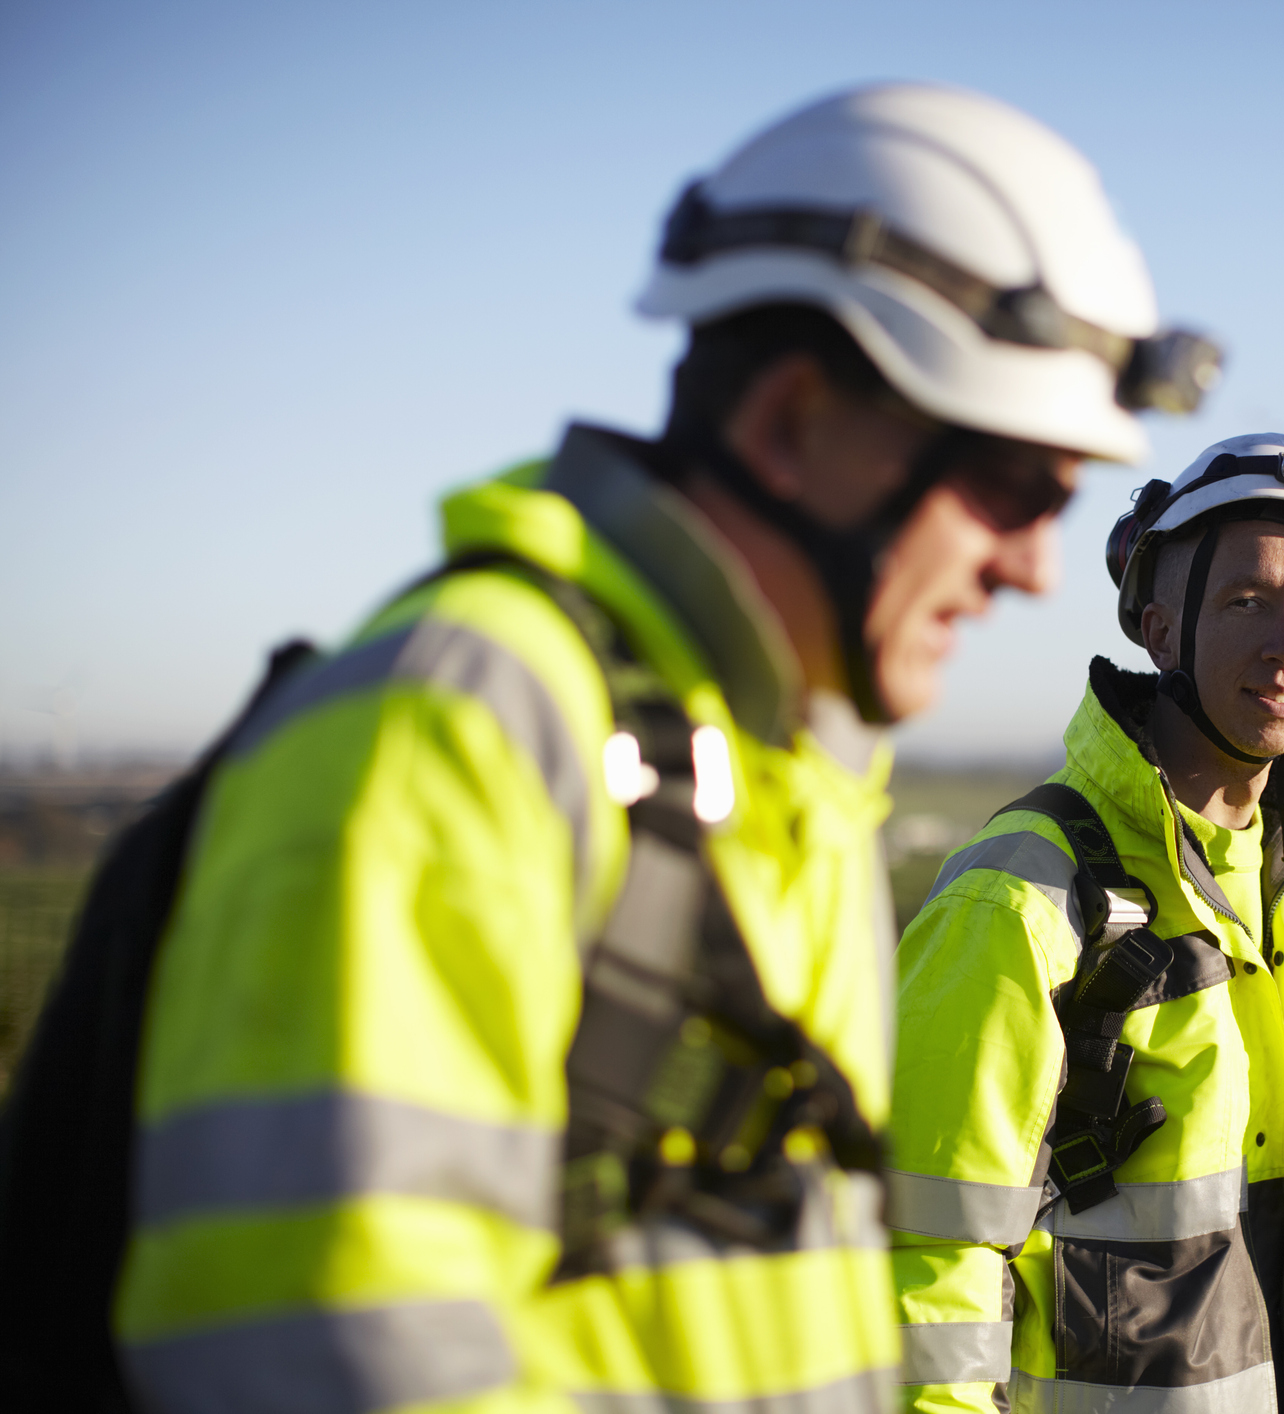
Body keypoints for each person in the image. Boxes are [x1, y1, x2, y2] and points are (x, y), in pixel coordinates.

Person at [107, 84, 1217, 1413]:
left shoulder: (774, 772)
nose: (1036, 567)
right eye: (1009, 486)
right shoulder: (462, 724)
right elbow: (318, 1355)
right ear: (791, 424)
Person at [888, 407, 1284, 1414]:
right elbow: (929, 1251)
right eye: (1247, 599)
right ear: (1158, 625)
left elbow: (1269, 1216)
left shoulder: (1273, 902)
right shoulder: (1021, 895)